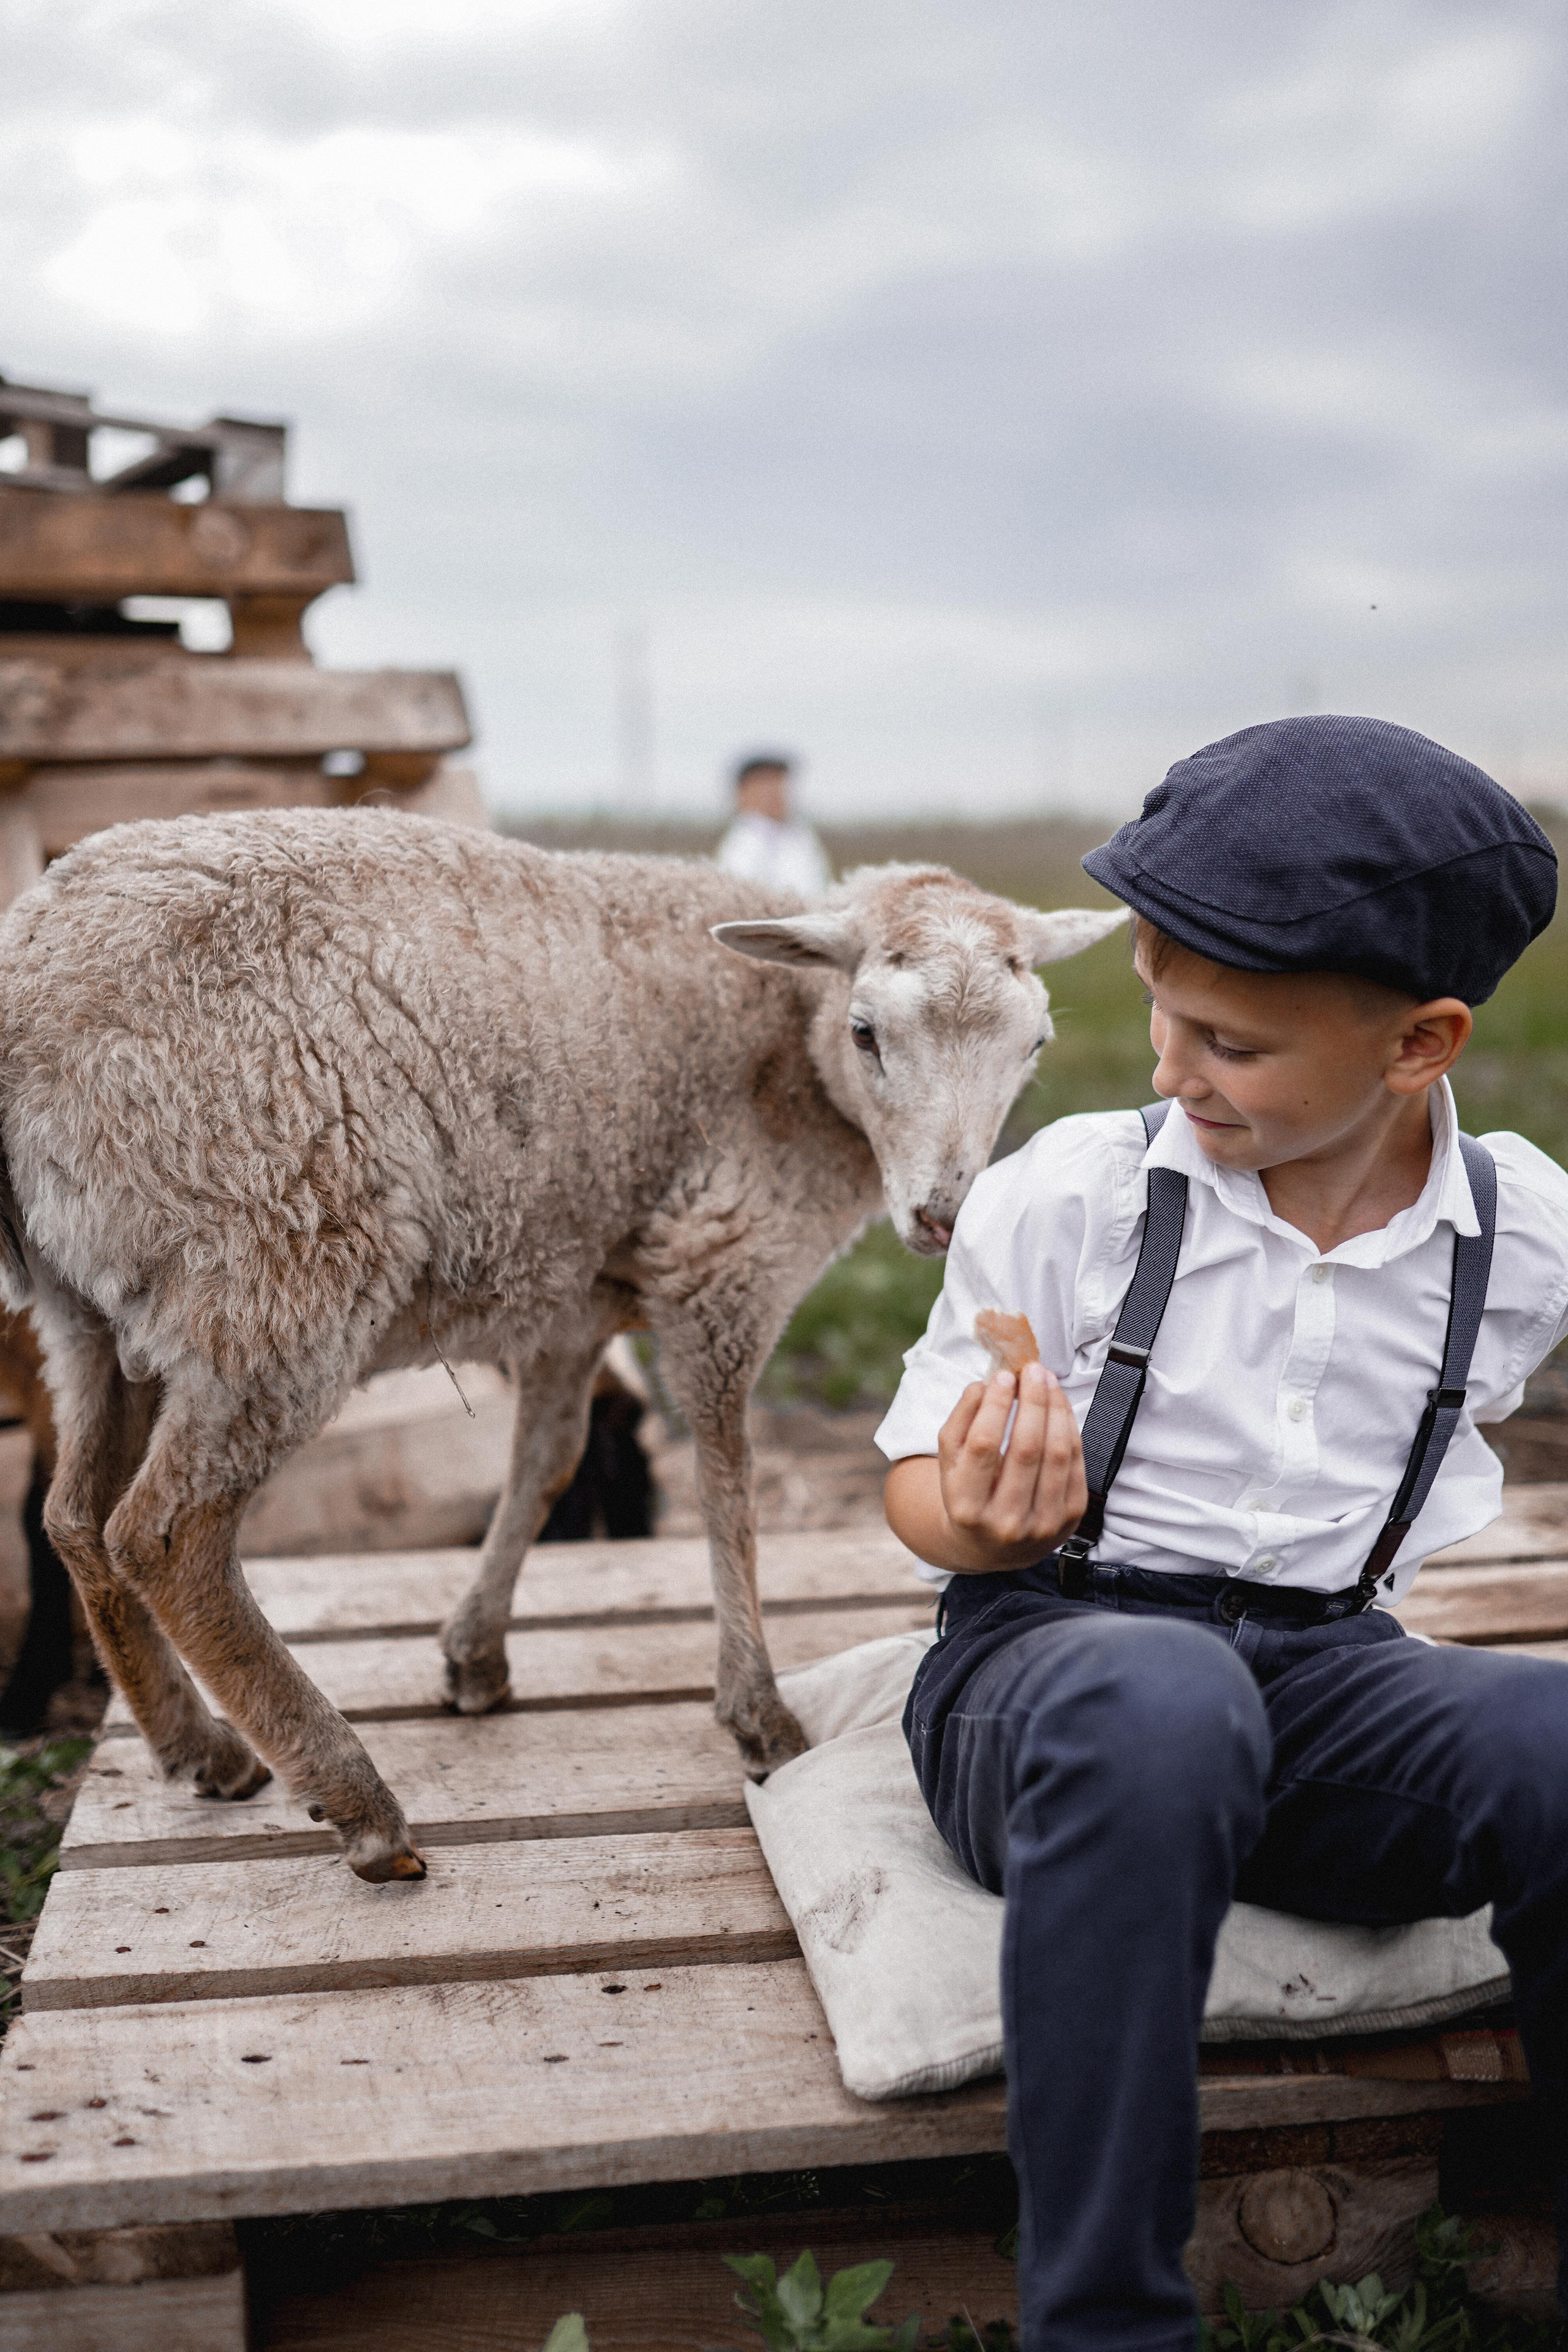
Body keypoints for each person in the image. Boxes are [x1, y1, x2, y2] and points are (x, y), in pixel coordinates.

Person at [875, 715, 1568, 2352]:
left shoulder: (1521, 1237)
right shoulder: (1079, 1197)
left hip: (1326, 1679)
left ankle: (1525, 2221)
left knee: (1554, 1733)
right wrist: (976, 1518)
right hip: (1045, 1672)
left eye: (1233, 1047)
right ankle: (1104, 2319)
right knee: (1162, 1703)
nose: (1173, 1074)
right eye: (1160, 1019)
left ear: (1422, 1045)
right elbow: (908, 1488)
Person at [715, 751, 829, 900]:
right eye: (763, 784)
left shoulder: (802, 837)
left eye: (778, 783)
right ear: (742, 793)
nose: (773, 792)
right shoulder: (741, 846)